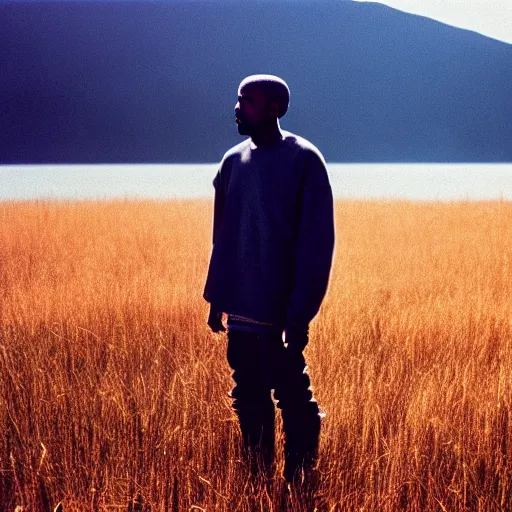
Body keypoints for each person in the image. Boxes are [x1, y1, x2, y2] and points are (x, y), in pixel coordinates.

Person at [203, 74, 335, 486]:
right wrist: (216, 300)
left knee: (294, 399)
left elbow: (316, 245)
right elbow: (220, 237)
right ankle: (259, 484)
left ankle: (299, 483)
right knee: (248, 398)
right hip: (240, 313)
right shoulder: (231, 162)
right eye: (239, 100)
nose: (238, 108)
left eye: (249, 101)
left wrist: (299, 316)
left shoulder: (304, 160)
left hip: (279, 316)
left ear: (275, 108)